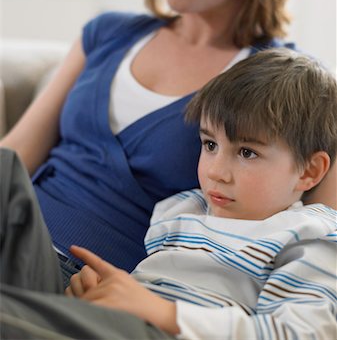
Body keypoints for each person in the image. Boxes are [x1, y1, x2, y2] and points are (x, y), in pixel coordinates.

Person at [0, 0, 335, 286]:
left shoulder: (283, 84)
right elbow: (16, 154)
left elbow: (321, 243)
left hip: (88, 279)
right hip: (14, 230)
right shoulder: (108, 33)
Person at [1, 49, 336, 339]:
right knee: (5, 169)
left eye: (247, 152)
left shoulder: (310, 235)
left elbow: (301, 333)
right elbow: (145, 290)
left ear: (309, 171)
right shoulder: (181, 209)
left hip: (165, 332)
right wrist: (103, 290)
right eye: (210, 144)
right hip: (114, 319)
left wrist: (163, 312)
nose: (215, 171)